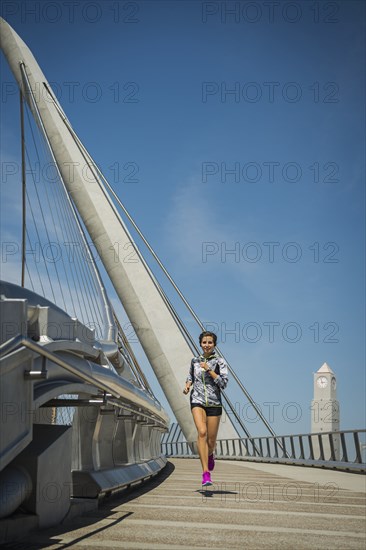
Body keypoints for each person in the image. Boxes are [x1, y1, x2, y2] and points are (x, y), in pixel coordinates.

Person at [183, 331, 228, 486]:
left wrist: (209, 370)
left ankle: (210, 455)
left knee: (211, 440)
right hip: (197, 400)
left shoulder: (220, 362)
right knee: (202, 432)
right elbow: (190, 376)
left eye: (210, 342)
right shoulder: (195, 361)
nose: (207, 345)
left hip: (214, 403)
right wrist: (188, 385)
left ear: (214, 344)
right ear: (200, 343)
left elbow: (223, 383)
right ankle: (205, 473)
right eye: (204, 342)